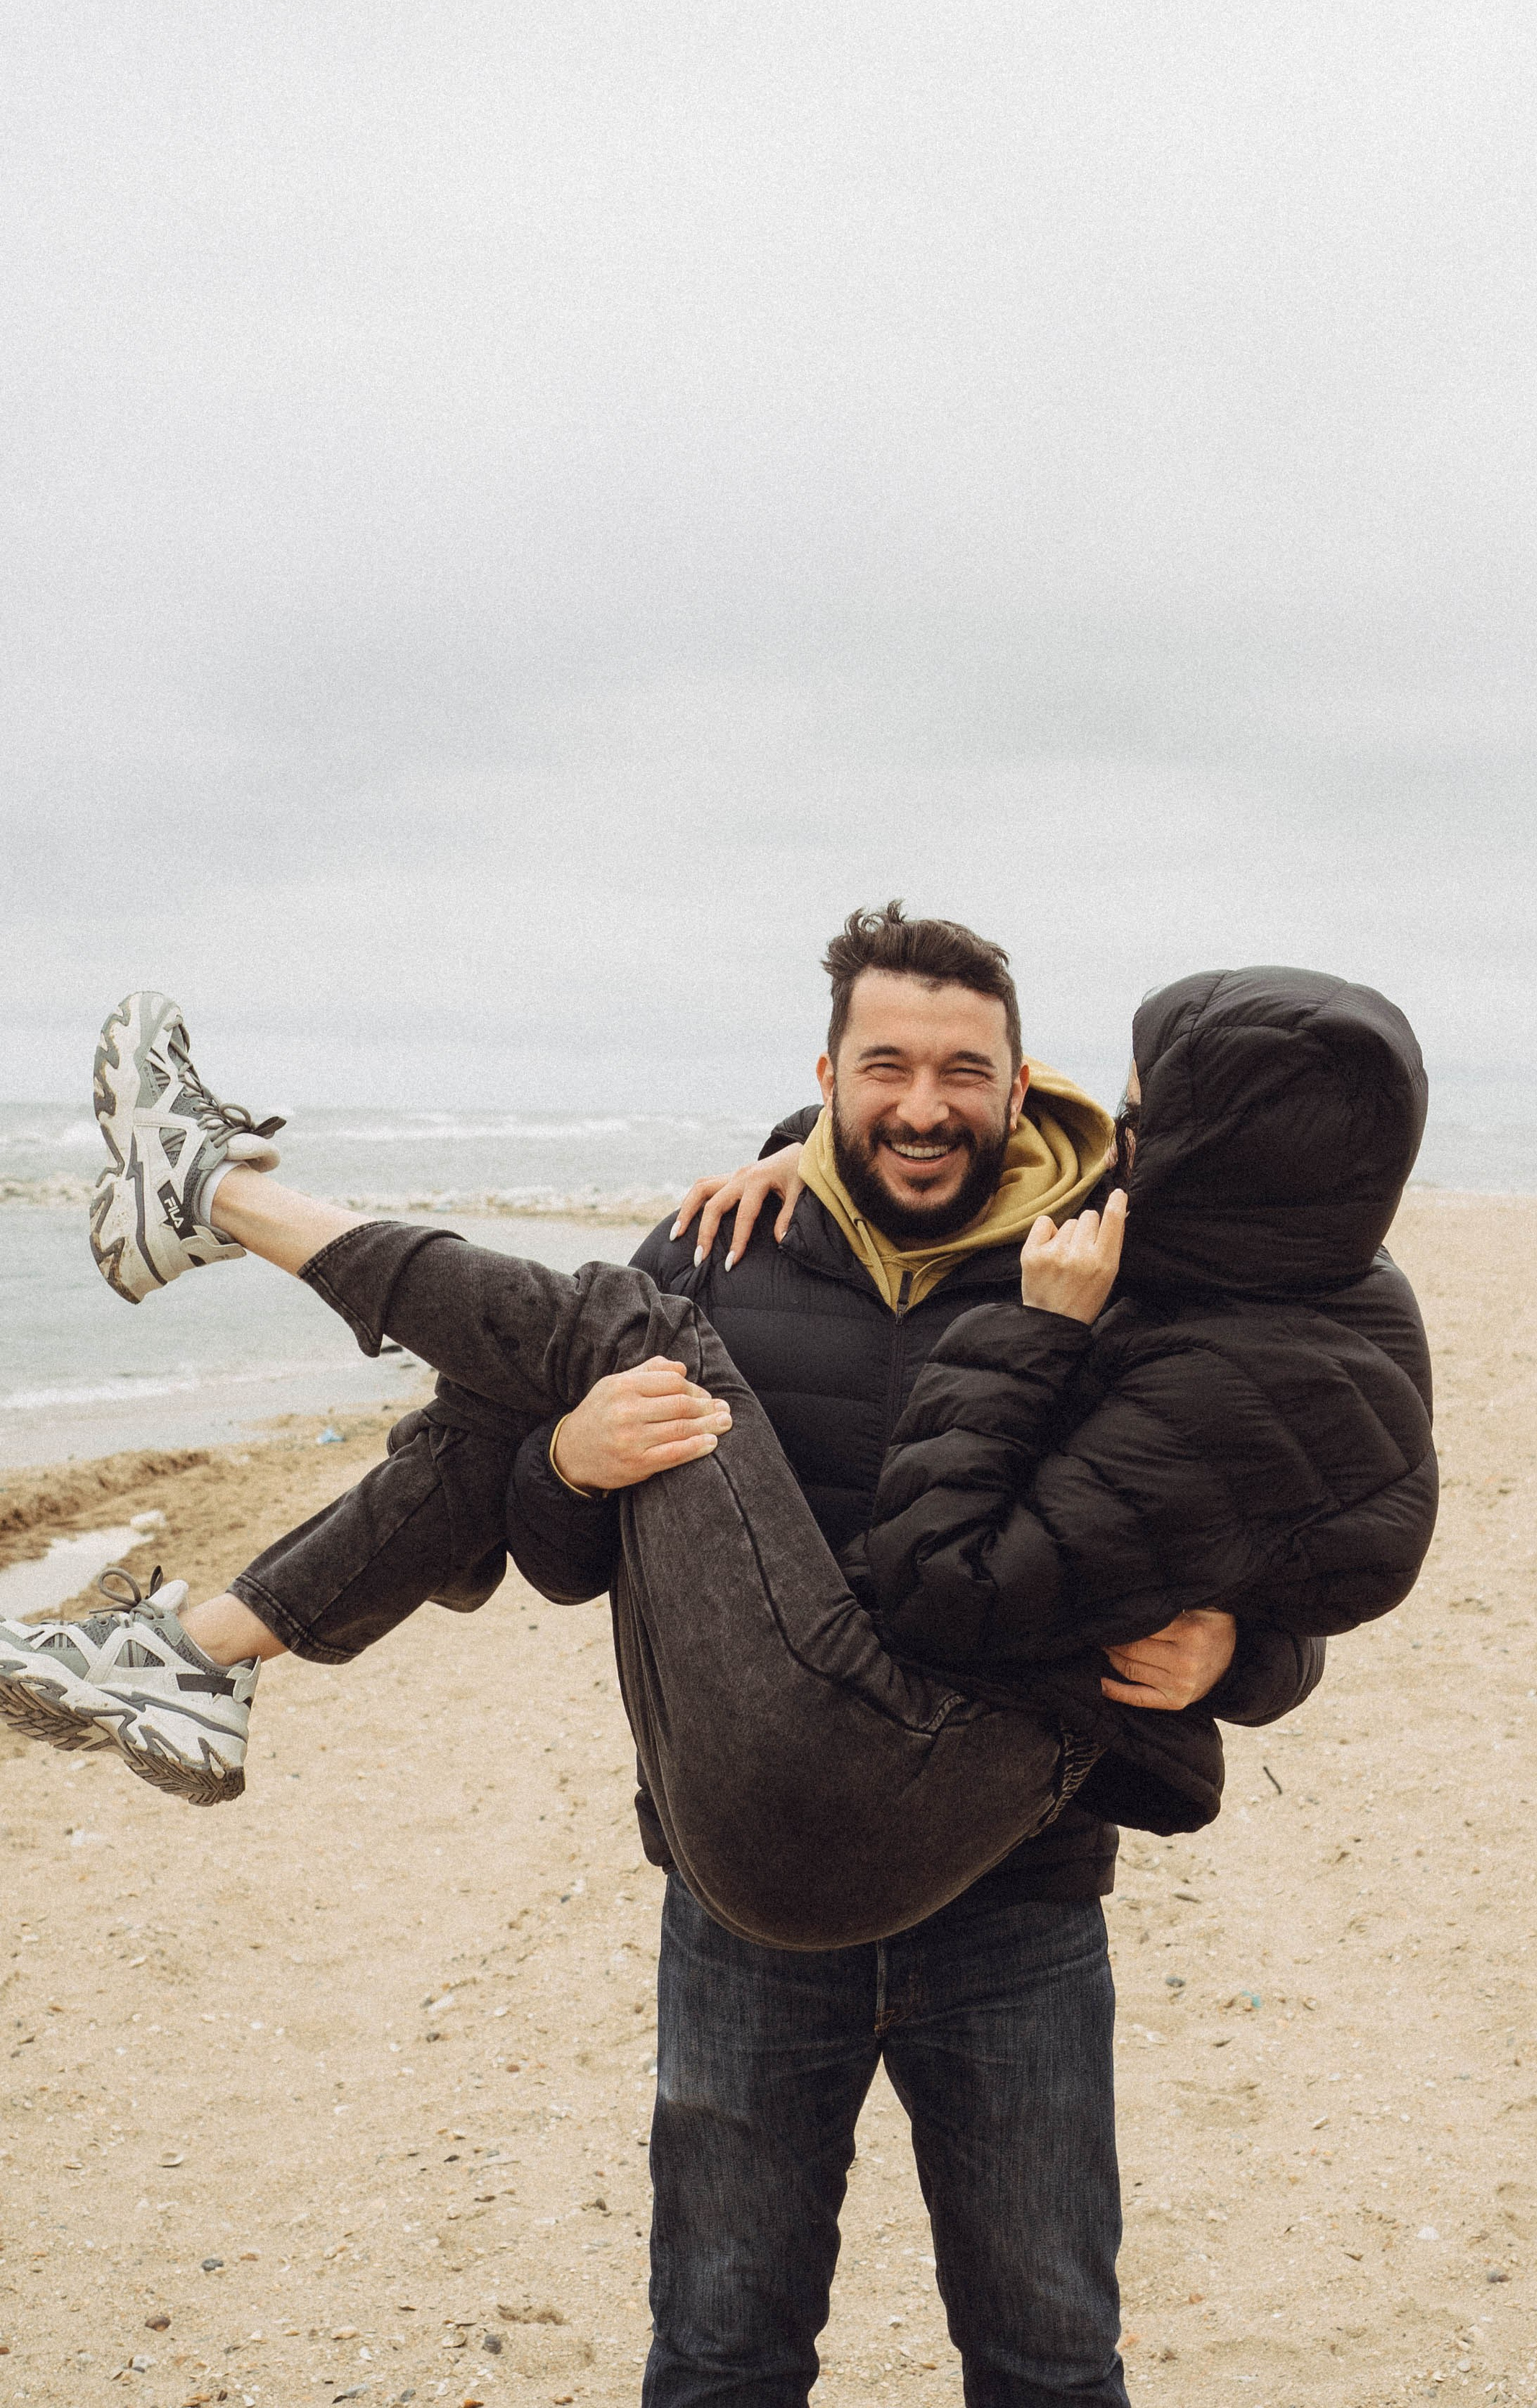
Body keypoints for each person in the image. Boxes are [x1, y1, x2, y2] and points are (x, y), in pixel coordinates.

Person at [0, 911, 1438, 2407]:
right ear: (824, 1077)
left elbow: (1261, 1543)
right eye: (883, 1067)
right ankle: (198, 1622)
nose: (923, 1105)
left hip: (1017, 1913)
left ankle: (208, 1419)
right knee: (721, 2351)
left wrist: (1238, 1657)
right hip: (740, 1914)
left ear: (1028, 1093)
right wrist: (568, 1460)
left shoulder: (1106, 1270)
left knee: (1049, 2352)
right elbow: (554, 1554)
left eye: (964, 1072)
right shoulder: (718, 1247)